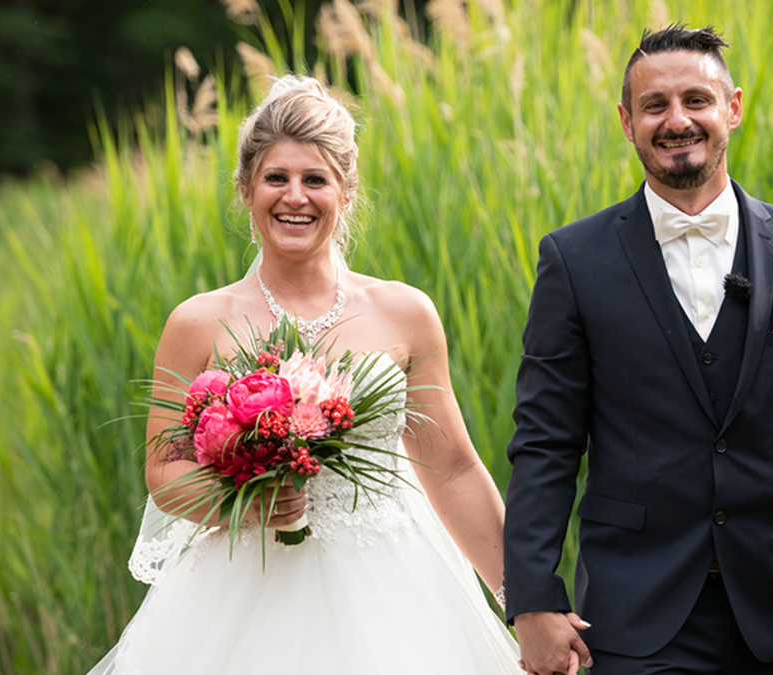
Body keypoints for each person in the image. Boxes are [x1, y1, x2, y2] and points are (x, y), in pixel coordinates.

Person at [86, 75, 523, 674]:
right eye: (276, 178)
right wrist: (250, 499)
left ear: (345, 192)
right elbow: (164, 471)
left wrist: (526, 604)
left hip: (396, 592)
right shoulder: (197, 322)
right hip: (242, 591)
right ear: (246, 189)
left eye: (315, 179)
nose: (296, 197)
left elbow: (450, 470)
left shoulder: (406, 313)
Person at [503, 25, 773, 675]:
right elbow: (546, 441)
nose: (677, 120)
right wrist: (533, 598)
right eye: (655, 106)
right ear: (627, 123)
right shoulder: (573, 261)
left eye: (696, 100)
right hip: (635, 614)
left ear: (733, 108)